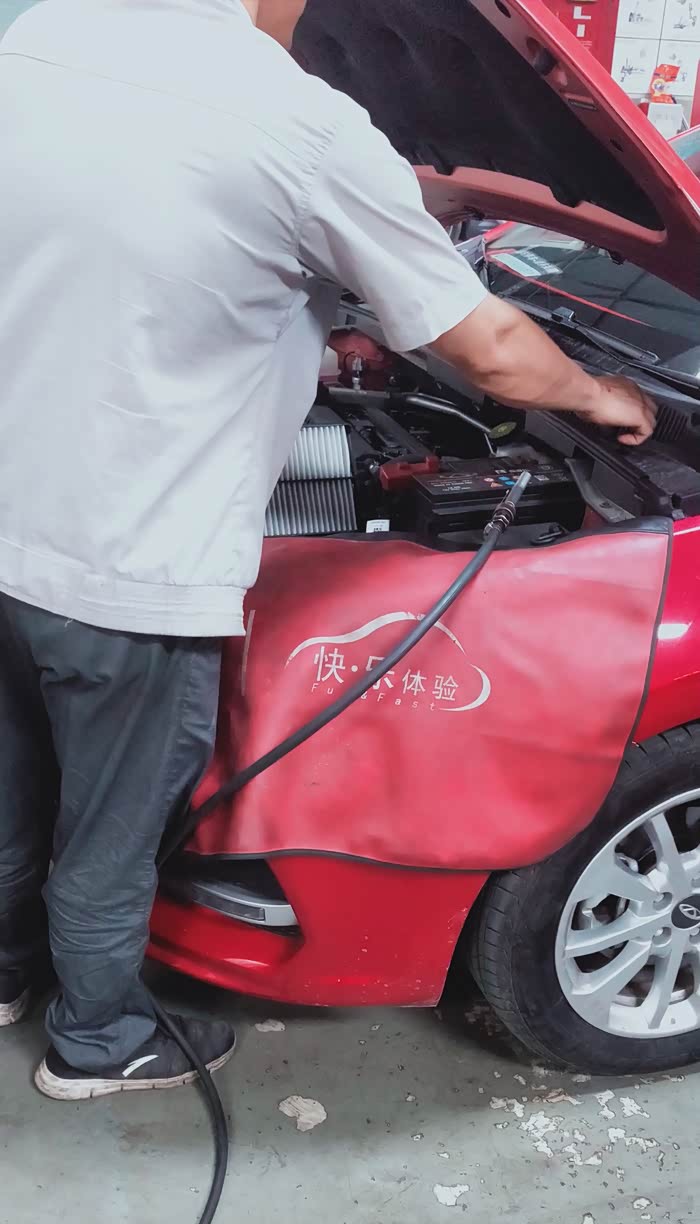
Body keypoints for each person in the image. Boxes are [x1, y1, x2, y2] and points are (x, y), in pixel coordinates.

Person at [0, 0, 656, 1101]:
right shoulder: (298, 121)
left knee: (14, 777)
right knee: (113, 822)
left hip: (15, 510)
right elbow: (496, 352)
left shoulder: (44, 37)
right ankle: (99, 1038)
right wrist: (602, 397)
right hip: (129, 563)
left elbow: (137, 252)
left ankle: (6, 971)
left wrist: (315, 309)